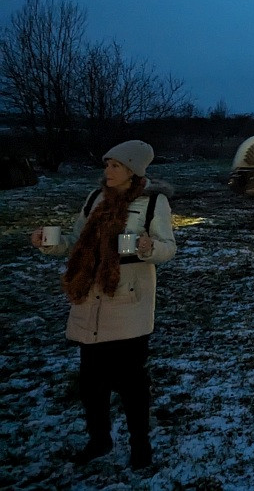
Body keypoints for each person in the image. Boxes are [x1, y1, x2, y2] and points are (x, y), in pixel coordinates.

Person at [30, 140, 176, 471]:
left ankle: (141, 445)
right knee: (91, 384)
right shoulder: (95, 199)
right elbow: (75, 244)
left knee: (131, 384)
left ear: (133, 170)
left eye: (115, 165)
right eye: (107, 164)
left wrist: (149, 247)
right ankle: (100, 440)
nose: (107, 171)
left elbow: (169, 248)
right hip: (90, 300)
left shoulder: (153, 203)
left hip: (128, 302)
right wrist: (47, 244)